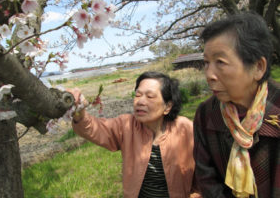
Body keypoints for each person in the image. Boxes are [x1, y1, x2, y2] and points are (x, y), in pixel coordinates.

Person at [70, 71, 200, 198]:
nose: (140, 101)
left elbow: (206, 172)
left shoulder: (186, 128)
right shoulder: (126, 125)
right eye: (137, 95)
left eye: (150, 96)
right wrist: (80, 112)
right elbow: (95, 129)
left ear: (167, 107)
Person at [193, 12, 280, 198]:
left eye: (220, 62)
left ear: (258, 67)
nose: (209, 75)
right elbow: (207, 179)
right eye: (206, 63)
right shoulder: (206, 114)